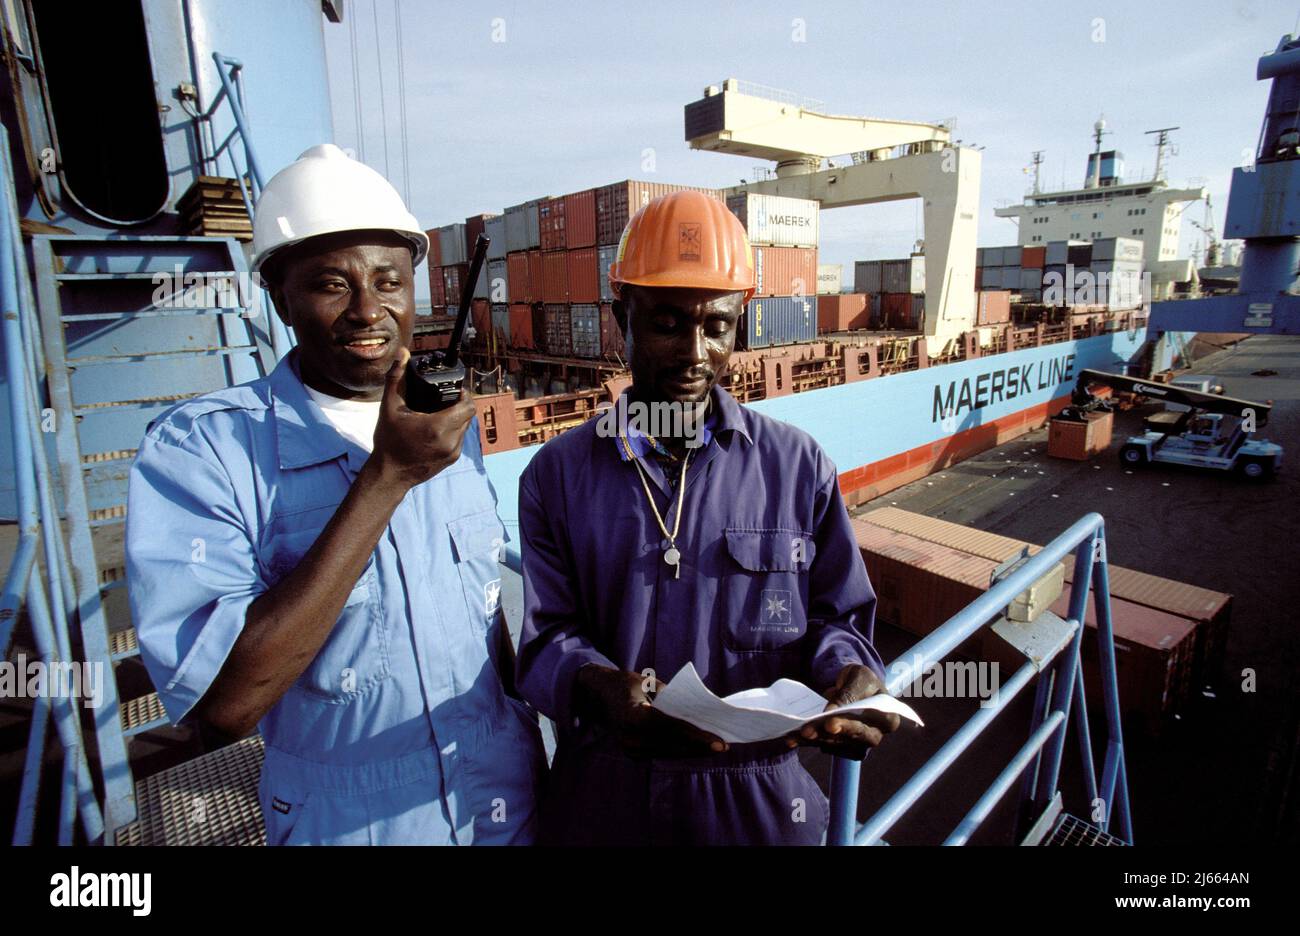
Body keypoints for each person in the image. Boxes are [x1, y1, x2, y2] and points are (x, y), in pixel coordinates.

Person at [126, 144, 545, 845]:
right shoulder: (203, 451)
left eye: (389, 282)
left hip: (501, 794)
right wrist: (387, 477)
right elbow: (226, 706)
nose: (368, 311)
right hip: (347, 819)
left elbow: (480, 612)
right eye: (330, 284)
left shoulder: (447, 425)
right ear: (279, 296)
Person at [515, 190, 901, 846]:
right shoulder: (555, 478)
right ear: (621, 320)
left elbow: (839, 619)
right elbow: (545, 637)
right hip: (608, 797)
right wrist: (596, 685)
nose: (695, 352)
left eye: (716, 326)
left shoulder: (799, 468)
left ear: (739, 322)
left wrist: (849, 676)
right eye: (667, 322)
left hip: (758, 799)